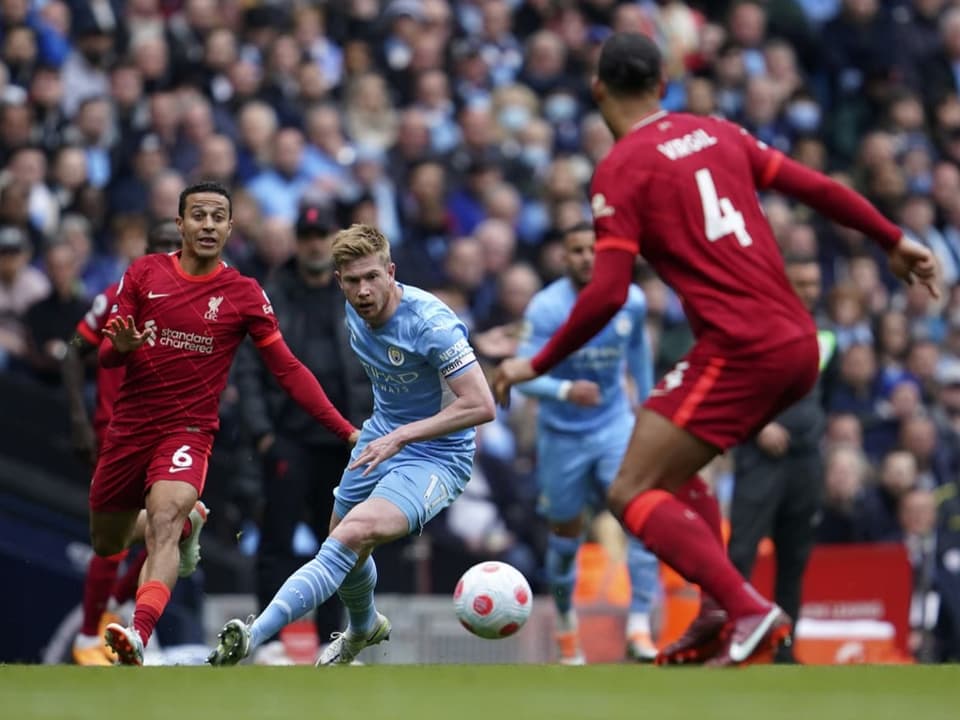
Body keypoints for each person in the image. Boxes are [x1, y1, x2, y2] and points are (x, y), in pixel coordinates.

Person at [492, 33, 938, 667]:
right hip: (797, 342)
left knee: (630, 492)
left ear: (598, 91)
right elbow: (816, 187)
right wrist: (893, 239)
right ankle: (717, 606)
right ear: (662, 85)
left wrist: (531, 362)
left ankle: (747, 606)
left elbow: (607, 294)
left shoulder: (621, 169)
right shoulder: (717, 132)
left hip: (743, 346)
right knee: (670, 462)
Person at [91, 181, 359, 666]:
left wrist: (344, 429)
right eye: (199, 215)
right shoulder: (144, 273)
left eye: (218, 217)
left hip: (187, 431)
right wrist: (121, 347)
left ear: (231, 227)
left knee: (165, 525)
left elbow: (289, 370)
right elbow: (107, 353)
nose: (208, 225)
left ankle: (137, 633)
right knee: (107, 539)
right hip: (131, 428)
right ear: (180, 224)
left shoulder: (243, 294)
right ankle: (189, 522)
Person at [207, 223, 496, 666]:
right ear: (339, 281)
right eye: (353, 281)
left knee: (352, 534)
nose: (363, 290)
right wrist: (383, 432)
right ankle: (364, 626)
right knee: (342, 545)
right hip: (381, 438)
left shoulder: (430, 324)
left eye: (372, 277)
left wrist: (402, 435)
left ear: (391, 272)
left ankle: (254, 633)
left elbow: (481, 404)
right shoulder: (353, 315)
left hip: (438, 454)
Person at [233, 204, 373, 663]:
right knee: (275, 540)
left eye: (321, 234)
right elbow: (249, 369)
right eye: (307, 234)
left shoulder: (353, 292)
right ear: (297, 240)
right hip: (288, 437)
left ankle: (332, 641)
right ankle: (268, 642)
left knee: (338, 542)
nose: (314, 243)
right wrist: (261, 434)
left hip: (343, 440)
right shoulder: (271, 293)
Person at [515, 221, 660, 664]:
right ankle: (565, 624)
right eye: (575, 250)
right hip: (562, 437)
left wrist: (650, 410)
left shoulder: (629, 301)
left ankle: (638, 627)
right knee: (564, 543)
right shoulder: (546, 308)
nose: (584, 258)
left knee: (641, 521)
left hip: (614, 427)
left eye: (592, 249)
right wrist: (564, 391)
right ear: (563, 257)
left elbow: (638, 355)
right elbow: (523, 378)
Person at [64, 219, 181, 665]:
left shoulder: (196, 302)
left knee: (178, 528)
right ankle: (87, 636)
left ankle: (114, 603)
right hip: (117, 434)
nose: (170, 252)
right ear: (146, 249)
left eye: (177, 245)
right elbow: (74, 347)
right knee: (115, 538)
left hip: (169, 434)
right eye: (161, 244)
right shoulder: (116, 297)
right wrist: (78, 416)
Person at [727, 254, 837, 664]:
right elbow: (731, 390)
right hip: (760, 458)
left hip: (805, 462)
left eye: (813, 284)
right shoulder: (754, 330)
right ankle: (731, 640)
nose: (808, 292)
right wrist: (759, 427)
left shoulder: (826, 335)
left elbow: (827, 394)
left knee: (794, 557)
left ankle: (785, 649)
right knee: (741, 553)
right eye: (800, 283)